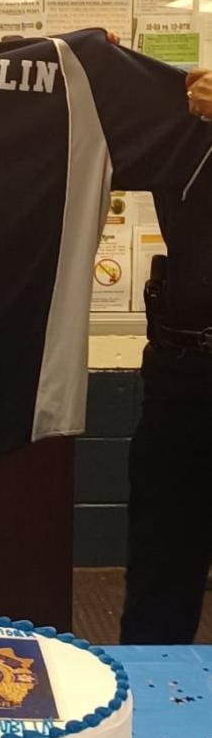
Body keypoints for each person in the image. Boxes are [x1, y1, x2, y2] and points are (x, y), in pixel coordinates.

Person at [120, 66, 212, 644]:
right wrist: (83, 61)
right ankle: (150, 692)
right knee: (161, 569)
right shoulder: (182, 110)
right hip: (182, 369)